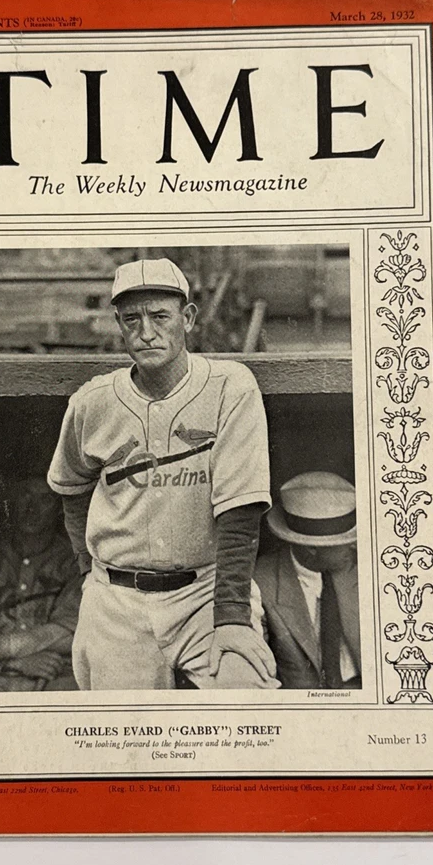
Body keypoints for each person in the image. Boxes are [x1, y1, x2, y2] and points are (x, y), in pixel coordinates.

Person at [48, 257, 279, 690]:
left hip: (206, 590)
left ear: (187, 318)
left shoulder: (230, 386)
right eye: (132, 319)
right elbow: (71, 488)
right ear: (118, 323)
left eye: (159, 316)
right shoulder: (92, 401)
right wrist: (87, 575)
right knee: (121, 742)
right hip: (117, 598)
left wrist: (231, 618)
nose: (146, 332)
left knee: (247, 693)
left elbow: (241, 510)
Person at [254, 472, 361, 690]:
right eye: (344, 542)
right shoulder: (259, 583)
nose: (354, 546)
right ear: (312, 547)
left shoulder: (363, 569)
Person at [0, 477, 81, 691]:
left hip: (52, 677)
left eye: (45, 499)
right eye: (25, 495)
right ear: (11, 501)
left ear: (59, 508)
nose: (32, 508)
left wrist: (2, 648)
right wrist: (15, 664)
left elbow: (69, 632)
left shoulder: (73, 564)